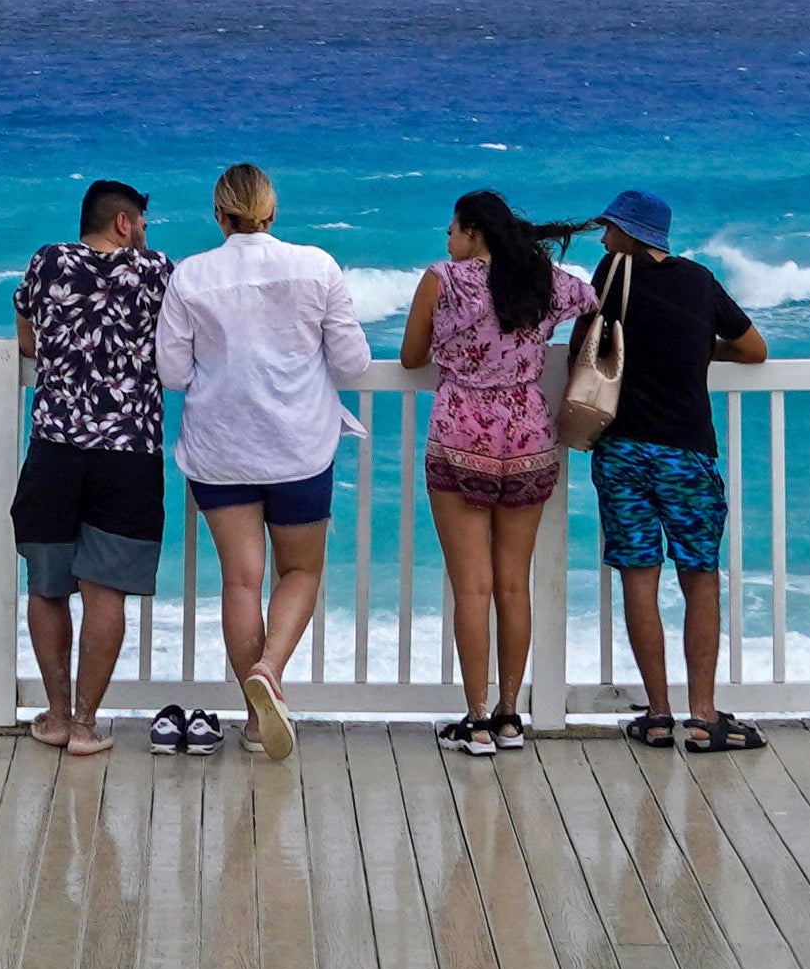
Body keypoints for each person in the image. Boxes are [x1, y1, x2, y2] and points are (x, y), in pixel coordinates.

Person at [156, 164, 373, 759]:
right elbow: (352, 362)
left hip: (220, 449)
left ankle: (257, 717)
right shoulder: (317, 266)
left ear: (219, 216)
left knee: (241, 579)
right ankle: (270, 674)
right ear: (273, 213)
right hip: (299, 446)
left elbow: (173, 373)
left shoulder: (190, 276)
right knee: (299, 573)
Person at [401, 191, 599, 755]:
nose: (447, 240)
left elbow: (412, 356)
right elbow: (591, 300)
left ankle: (478, 718)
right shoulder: (542, 280)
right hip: (529, 434)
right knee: (514, 582)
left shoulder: (443, 279)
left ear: (472, 233)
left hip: (463, 433)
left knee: (473, 584)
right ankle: (512, 715)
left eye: (451, 229)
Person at [585, 189, 770, 752]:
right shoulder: (698, 280)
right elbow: (754, 349)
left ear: (630, 235)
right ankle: (705, 715)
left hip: (621, 450)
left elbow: (585, 348)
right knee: (700, 577)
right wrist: (698, 351)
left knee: (639, 578)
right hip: (687, 451)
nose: (603, 238)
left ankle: (659, 714)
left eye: (610, 228)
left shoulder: (611, 276)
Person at [9, 179, 174, 756]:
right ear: (125, 224)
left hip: (56, 445)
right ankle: (84, 724)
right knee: (107, 595)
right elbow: (177, 348)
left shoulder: (47, 262)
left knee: (48, 585)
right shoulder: (156, 272)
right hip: (129, 452)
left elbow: (27, 340)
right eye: (144, 225)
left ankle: (53, 715)